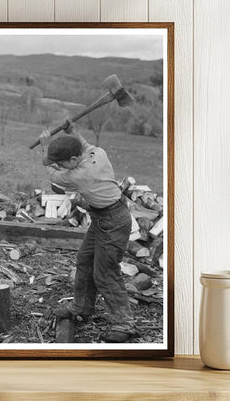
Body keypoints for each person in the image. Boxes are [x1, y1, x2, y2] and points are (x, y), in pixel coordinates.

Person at [38, 119, 138, 343]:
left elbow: (51, 174)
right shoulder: (97, 153)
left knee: (105, 272)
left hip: (114, 222)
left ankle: (124, 323)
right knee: (84, 260)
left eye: (62, 162)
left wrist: (46, 148)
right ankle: (82, 306)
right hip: (104, 217)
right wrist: (73, 131)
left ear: (73, 160)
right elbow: (82, 144)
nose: (60, 165)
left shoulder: (78, 176)